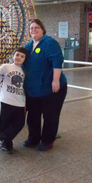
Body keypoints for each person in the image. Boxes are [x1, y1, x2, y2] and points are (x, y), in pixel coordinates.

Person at [22, 19, 67, 151]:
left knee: (50, 115)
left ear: (43, 29)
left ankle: (48, 140)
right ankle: (33, 138)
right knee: (33, 115)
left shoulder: (49, 42)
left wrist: (56, 80)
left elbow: (57, 61)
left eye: (37, 27)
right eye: (31, 28)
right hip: (33, 90)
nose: (33, 30)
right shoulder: (28, 46)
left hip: (52, 88)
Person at [0, 47, 27, 154]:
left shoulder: (25, 71)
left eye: (22, 56)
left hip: (20, 101)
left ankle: (2, 138)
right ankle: (7, 143)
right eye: (17, 55)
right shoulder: (6, 67)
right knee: (4, 123)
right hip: (6, 100)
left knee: (20, 123)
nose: (19, 58)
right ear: (13, 55)